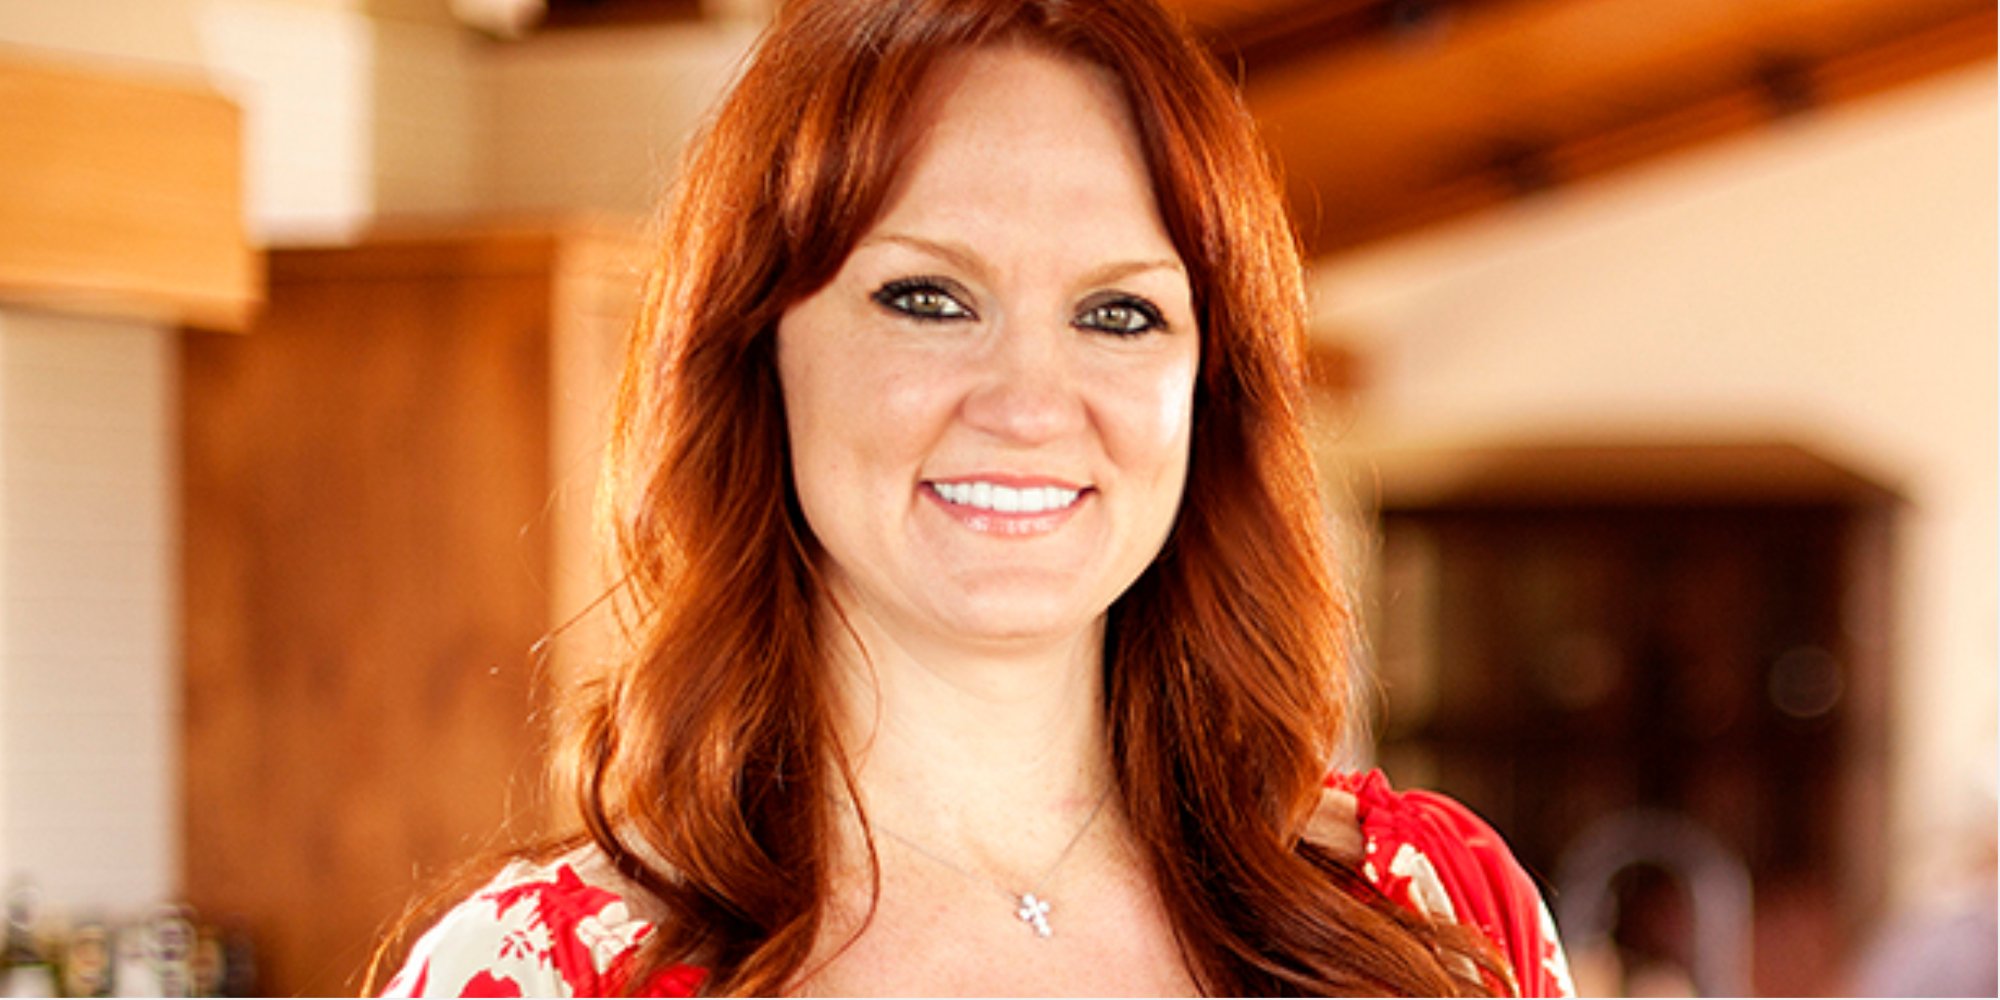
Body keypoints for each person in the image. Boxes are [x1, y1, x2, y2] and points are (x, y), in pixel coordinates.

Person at [378, 0, 1573, 994]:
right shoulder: (533, 973)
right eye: (927, 299)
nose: (1029, 403)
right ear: (757, 351)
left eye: (1119, 313)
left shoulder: (1432, 918)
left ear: (1210, 396)